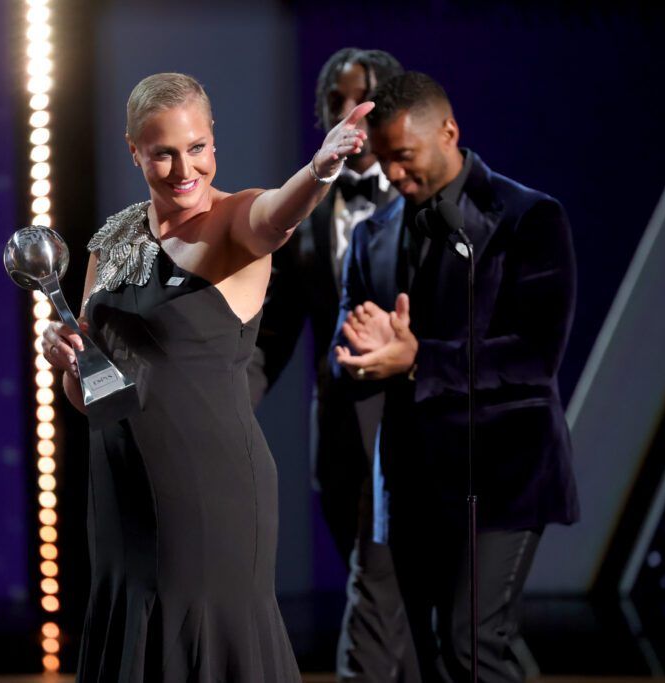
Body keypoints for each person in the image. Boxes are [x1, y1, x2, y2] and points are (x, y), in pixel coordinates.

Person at [42, 72, 372, 682]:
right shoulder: (110, 242)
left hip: (209, 494)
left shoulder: (235, 221)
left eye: (196, 147)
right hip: (119, 495)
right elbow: (91, 399)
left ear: (213, 139)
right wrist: (67, 359)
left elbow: (278, 215)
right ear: (133, 149)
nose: (182, 168)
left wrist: (320, 171)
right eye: (162, 151)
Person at [331, 71, 579, 683]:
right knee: (424, 651)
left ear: (449, 131)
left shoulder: (529, 218)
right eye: (383, 160)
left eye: (404, 157)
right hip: (409, 479)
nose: (391, 175)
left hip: (501, 476)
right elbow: (349, 338)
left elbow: (533, 357)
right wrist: (358, 351)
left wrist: (417, 358)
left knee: (472, 643)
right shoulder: (371, 237)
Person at [250, 48, 420, 682]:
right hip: (341, 433)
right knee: (371, 583)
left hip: (417, 426)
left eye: (368, 99)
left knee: (415, 597)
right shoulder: (304, 212)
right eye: (336, 102)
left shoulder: (430, 201)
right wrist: (222, 406)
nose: (353, 116)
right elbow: (274, 331)